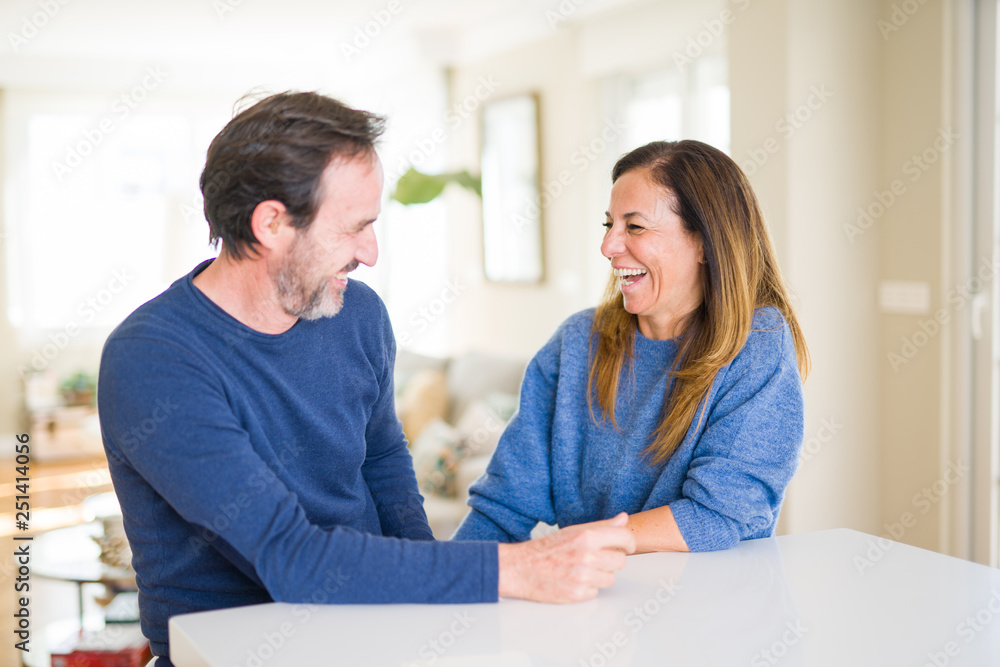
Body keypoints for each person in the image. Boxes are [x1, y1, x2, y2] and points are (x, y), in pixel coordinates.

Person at [97, 91, 635, 665]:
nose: (371, 253)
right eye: (354, 228)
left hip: (376, 631)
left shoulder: (357, 315)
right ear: (271, 223)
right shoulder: (153, 360)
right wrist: (517, 568)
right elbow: (292, 559)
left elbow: (382, 461)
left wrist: (440, 606)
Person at [453, 140, 809, 553]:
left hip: (711, 607)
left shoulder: (755, 347)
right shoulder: (577, 342)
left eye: (634, 227)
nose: (608, 246)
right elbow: (503, 505)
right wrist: (445, 589)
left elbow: (719, 516)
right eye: (609, 225)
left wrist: (575, 545)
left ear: (703, 243)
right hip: (595, 603)